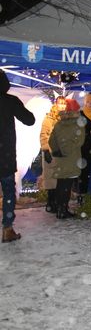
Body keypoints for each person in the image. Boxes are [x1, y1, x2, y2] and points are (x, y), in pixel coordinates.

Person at [0, 69, 35, 242]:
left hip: (5, 155)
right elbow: (30, 120)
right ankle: (7, 228)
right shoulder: (10, 101)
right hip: (5, 156)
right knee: (7, 192)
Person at [49, 99, 85, 219]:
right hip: (72, 157)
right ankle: (63, 210)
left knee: (61, 183)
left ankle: (60, 208)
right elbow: (80, 141)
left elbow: (51, 140)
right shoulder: (78, 123)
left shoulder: (59, 123)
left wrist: (57, 150)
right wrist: (68, 150)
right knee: (67, 184)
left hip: (61, 158)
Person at [39, 96, 67, 213]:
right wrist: (45, 150)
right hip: (51, 152)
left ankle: (57, 202)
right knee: (51, 179)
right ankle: (51, 203)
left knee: (60, 180)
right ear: (56, 104)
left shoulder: (66, 118)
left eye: (64, 104)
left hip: (62, 153)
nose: (62, 106)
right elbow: (43, 135)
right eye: (60, 104)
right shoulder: (49, 118)